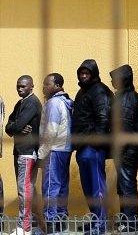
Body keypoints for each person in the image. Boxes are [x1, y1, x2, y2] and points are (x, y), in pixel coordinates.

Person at [71, 59, 113, 235]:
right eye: (81, 73)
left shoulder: (99, 91)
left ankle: (101, 225)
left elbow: (103, 118)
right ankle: (96, 219)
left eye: (86, 73)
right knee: (88, 187)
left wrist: (96, 142)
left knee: (97, 187)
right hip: (82, 146)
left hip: (93, 147)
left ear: (94, 73)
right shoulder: (82, 91)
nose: (83, 75)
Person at [110, 65, 138, 234]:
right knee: (124, 187)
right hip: (130, 150)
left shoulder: (126, 99)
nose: (112, 81)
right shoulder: (127, 96)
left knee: (127, 188)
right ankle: (127, 221)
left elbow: (123, 129)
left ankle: (130, 224)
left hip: (128, 152)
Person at [5, 75, 42, 234]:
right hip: (20, 151)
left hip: (27, 152)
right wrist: (16, 126)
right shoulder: (20, 103)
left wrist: (16, 126)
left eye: (23, 86)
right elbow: (9, 126)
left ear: (31, 87)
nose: (20, 89)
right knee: (27, 190)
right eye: (18, 86)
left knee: (24, 191)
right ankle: (32, 225)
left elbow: (18, 124)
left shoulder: (32, 102)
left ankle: (24, 228)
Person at [38, 73, 74, 234]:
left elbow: (51, 130)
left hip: (53, 150)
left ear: (57, 86)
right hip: (65, 149)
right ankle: (61, 221)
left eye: (47, 84)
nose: (43, 88)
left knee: (51, 187)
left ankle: (51, 224)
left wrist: (41, 153)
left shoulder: (53, 103)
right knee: (61, 186)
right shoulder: (66, 102)